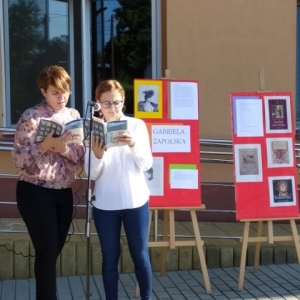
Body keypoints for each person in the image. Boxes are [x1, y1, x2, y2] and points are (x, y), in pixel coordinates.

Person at [11, 65, 84, 300]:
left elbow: (79, 156)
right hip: (35, 191)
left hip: (63, 192)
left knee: (53, 252)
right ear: (43, 91)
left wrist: (63, 149)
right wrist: (44, 146)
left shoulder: (73, 116)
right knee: (47, 252)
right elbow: (18, 158)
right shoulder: (31, 117)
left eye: (65, 91)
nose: (61, 97)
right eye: (55, 92)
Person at [84, 80, 153, 300]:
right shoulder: (93, 129)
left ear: (123, 101)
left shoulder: (136, 125)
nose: (113, 108)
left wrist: (133, 145)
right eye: (107, 104)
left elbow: (146, 165)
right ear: (98, 104)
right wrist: (97, 154)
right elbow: (92, 175)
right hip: (105, 204)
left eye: (117, 103)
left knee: (140, 256)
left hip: (136, 201)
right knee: (109, 257)